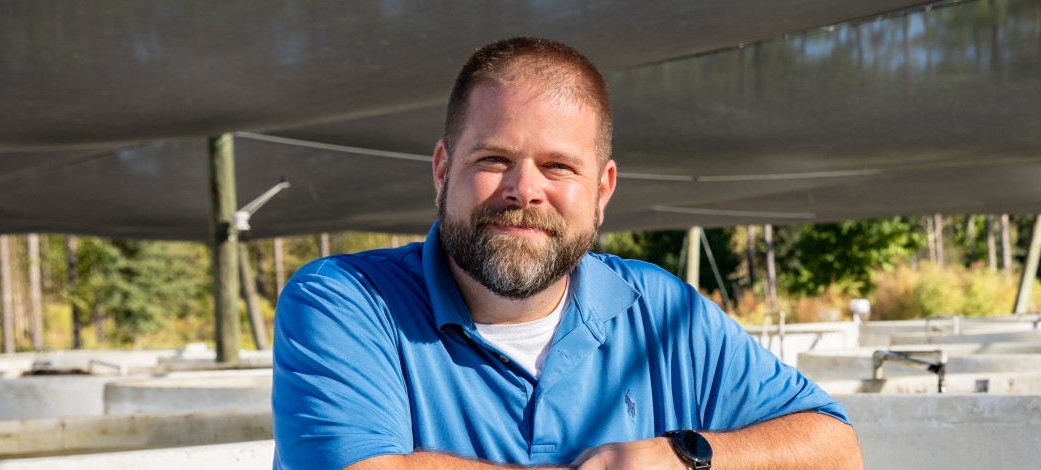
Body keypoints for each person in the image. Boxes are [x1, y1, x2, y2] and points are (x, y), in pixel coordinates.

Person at [271, 37, 861, 470]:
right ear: (444, 170)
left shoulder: (661, 311)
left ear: (602, 190)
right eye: (494, 159)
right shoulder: (344, 302)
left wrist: (684, 457)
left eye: (557, 166)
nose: (524, 189)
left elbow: (836, 448)